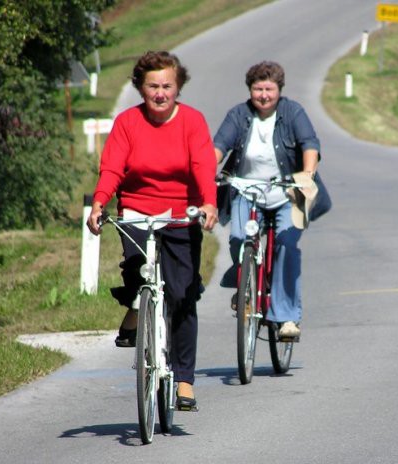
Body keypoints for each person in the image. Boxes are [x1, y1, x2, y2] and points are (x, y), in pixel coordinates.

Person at [87, 51, 218, 410]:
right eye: (152, 86)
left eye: (167, 86)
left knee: (182, 295)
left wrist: (209, 203)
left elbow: (203, 165)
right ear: (140, 88)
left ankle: (185, 380)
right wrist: (100, 202)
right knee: (135, 272)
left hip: (180, 214)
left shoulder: (192, 121)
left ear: (178, 88)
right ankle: (135, 307)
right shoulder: (128, 123)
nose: (160, 93)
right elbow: (112, 167)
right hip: (137, 211)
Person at [213, 61, 330, 339]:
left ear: (279, 89)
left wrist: (307, 175)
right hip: (246, 190)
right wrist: (207, 171)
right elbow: (218, 146)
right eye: (257, 89)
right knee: (239, 239)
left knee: (286, 245)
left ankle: (287, 318)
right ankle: (245, 287)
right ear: (249, 90)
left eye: (269, 89)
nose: (263, 95)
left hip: (285, 193)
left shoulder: (292, 112)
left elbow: (309, 144)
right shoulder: (238, 114)